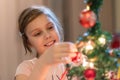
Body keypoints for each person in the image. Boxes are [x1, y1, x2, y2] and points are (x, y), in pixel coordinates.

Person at [15, 6, 78, 80]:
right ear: (28, 42)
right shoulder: (26, 68)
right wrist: (44, 62)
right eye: (38, 33)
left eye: (50, 27)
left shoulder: (75, 61)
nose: (47, 36)